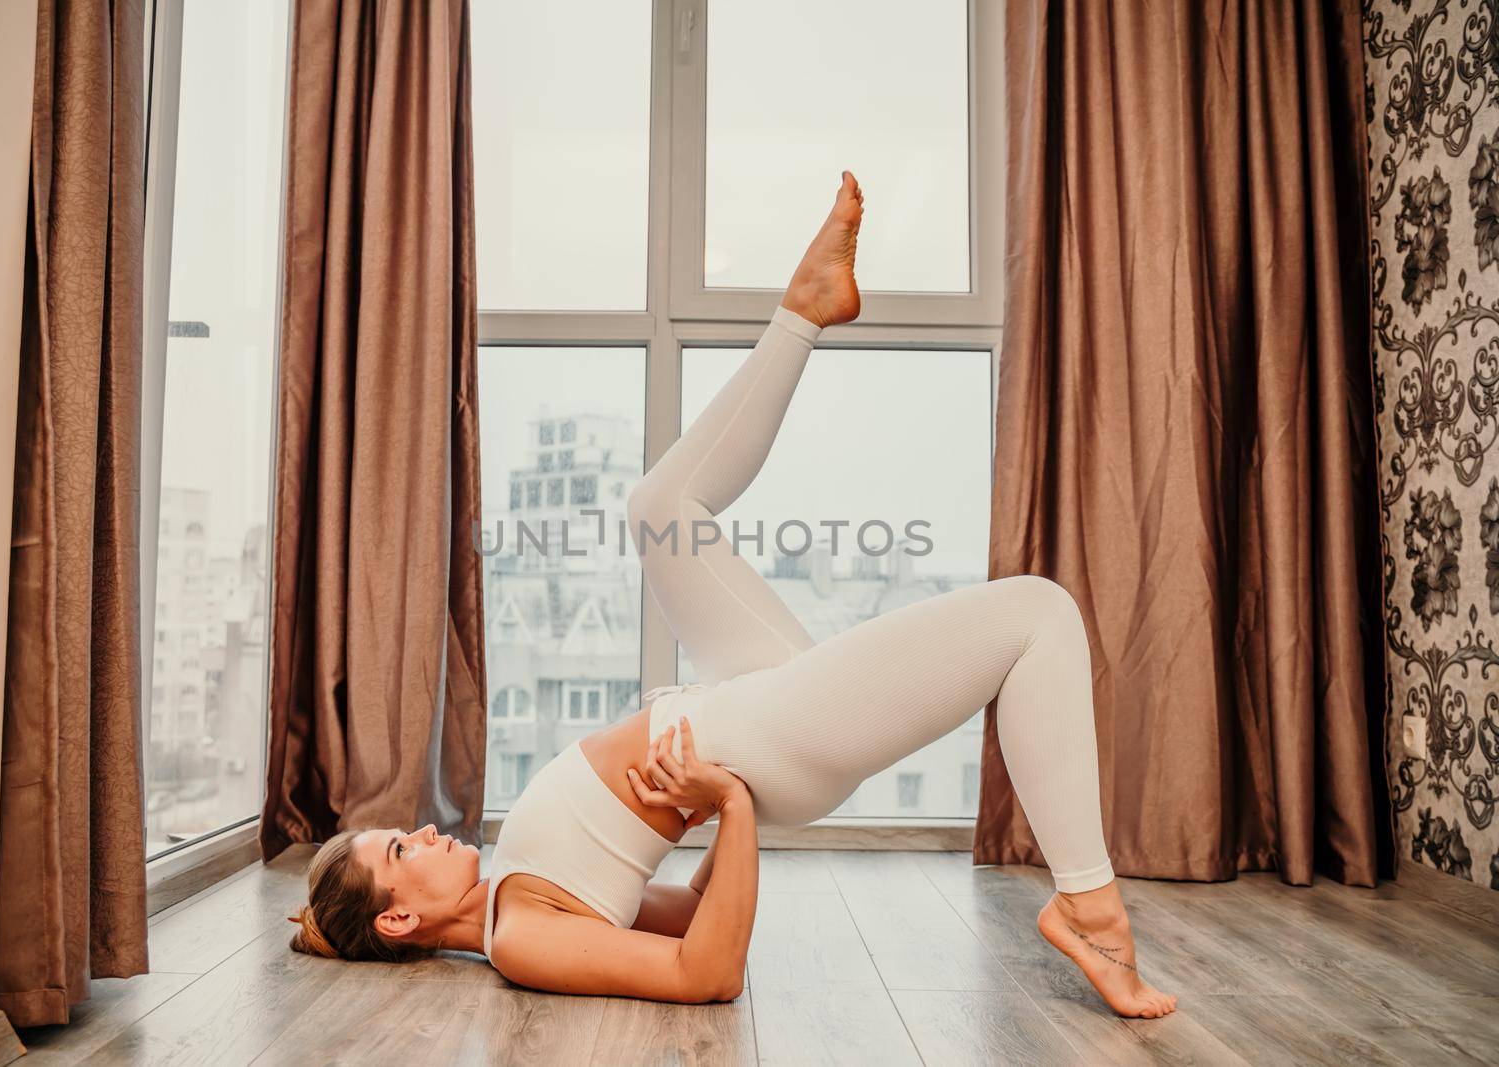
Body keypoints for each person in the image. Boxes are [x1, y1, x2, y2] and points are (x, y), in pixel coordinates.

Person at [288, 171, 1177, 1019]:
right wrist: (735, 797)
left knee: (659, 508)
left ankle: (805, 308)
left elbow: (692, 920)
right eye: (402, 849)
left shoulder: (511, 892)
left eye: (407, 832)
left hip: (741, 712)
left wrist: (716, 808)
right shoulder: (520, 939)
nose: (426, 833)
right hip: (763, 743)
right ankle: (1089, 906)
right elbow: (708, 973)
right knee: (1038, 613)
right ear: (399, 916)